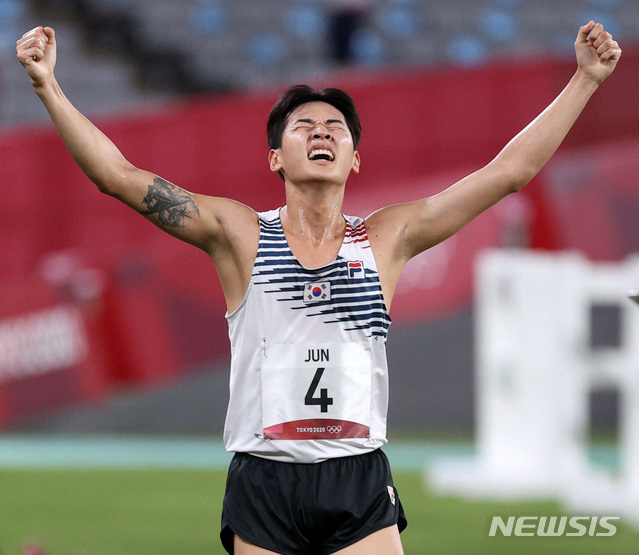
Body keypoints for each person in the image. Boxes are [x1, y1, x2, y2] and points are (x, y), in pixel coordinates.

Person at [16, 21, 621, 555]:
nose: (321, 132)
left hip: (356, 479)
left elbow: (508, 173)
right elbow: (119, 178)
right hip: (265, 480)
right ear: (275, 157)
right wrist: (48, 85)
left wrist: (586, 81)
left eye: (335, 127)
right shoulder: (240, 235)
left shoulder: (388, 237)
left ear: (355, 158)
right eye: (303, 126)